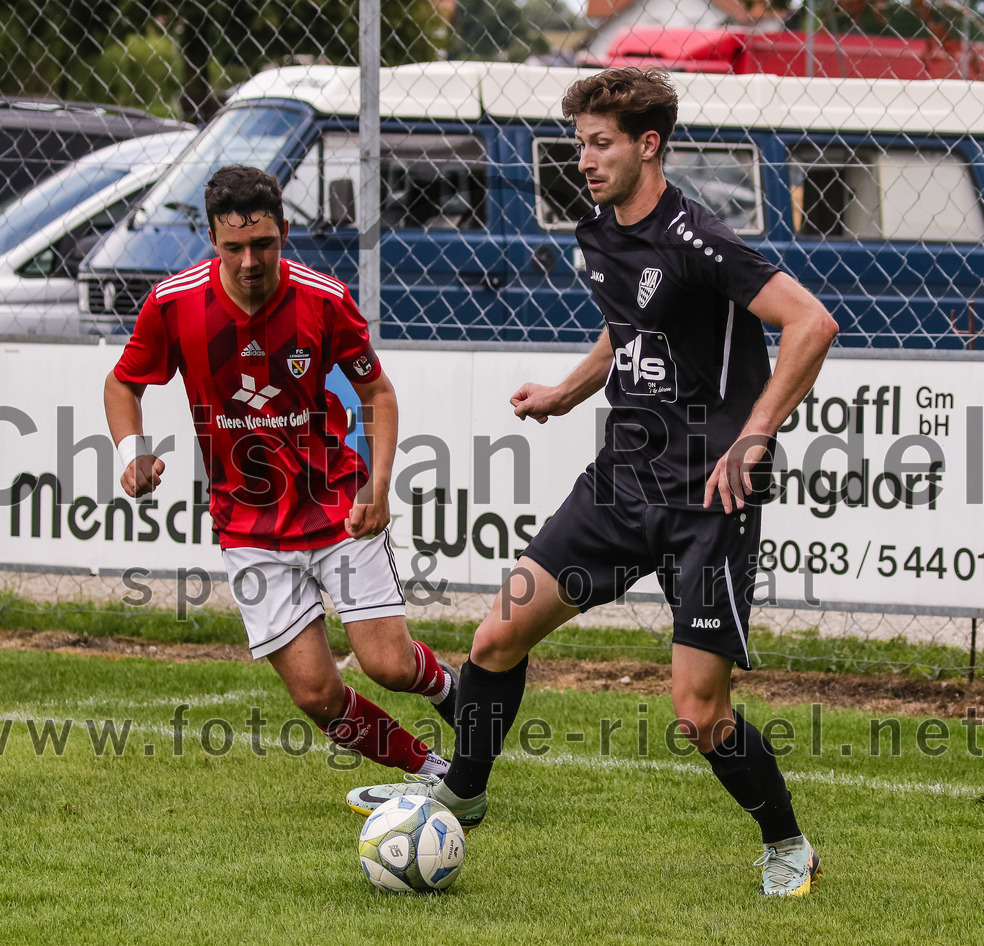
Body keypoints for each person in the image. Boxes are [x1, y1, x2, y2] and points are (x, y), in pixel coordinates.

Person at [345, 68, 838, 898]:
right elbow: (629, 327)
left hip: (705, 503)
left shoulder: (700, 238)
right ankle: (463, 790)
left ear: (649, 145)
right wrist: (567, 392)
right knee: (497, 637)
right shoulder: (601, 229)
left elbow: (811, 323)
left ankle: (787, 843)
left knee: (697, 712)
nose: (584, 159)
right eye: (580, 143)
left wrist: (754, 437)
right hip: (619, 486)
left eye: (600, 143)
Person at [104, 164, 457, 777]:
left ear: (284, 233)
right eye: (234, 247)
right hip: (249, 526)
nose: (248, 261)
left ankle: (459, 696)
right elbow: (122, 383)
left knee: (390, 666)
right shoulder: (173, 304)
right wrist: (130, 451)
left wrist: (377, 485)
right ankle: (436, 774)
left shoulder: (323, 299)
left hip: (336, 505)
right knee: (317, 695)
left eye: (262, 244)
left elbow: (378, 395)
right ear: (213, 241)